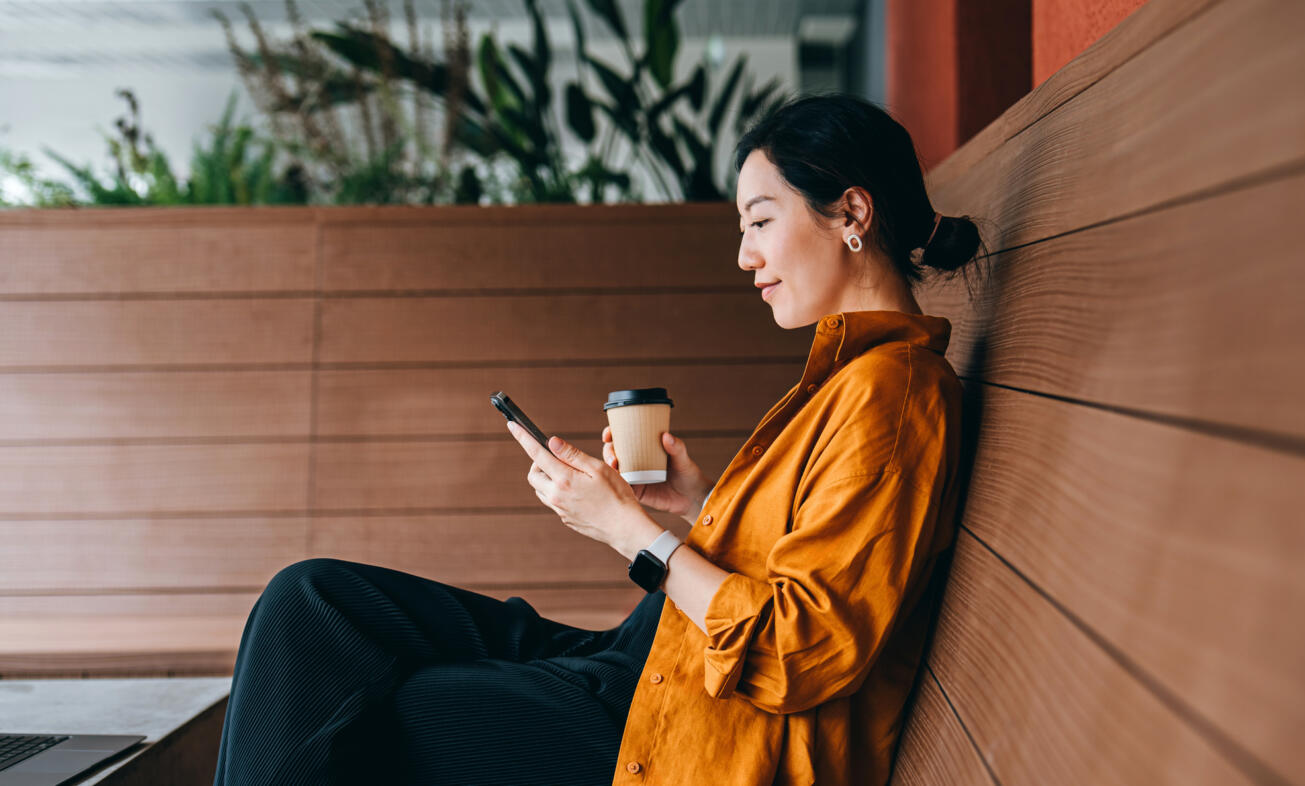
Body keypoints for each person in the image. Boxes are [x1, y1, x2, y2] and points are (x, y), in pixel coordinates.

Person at [212, 92, 984, 786]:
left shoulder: (896, 392)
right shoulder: (852, 378)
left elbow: (802, 650)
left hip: (691, 734)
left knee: (383, 708)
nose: (745, 256)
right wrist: (698, 505)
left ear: (851, 214)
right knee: (311, 603)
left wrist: (632, 534)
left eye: (759, 222)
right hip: (646, 665)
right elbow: (814, 557)